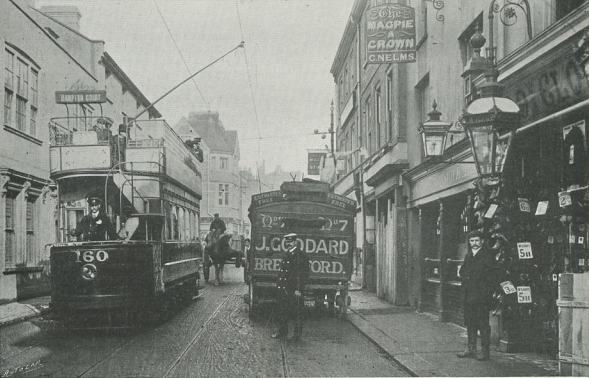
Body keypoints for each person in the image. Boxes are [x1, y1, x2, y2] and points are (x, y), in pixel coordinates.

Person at [457, 229, 496, 361]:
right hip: (468, 295)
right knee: (470, 322)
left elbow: (490, 276)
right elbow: (462, 271)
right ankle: (471, 348)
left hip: (481, 296)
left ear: (482, 241)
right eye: (472, 241)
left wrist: (485, 291)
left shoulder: (488, 255)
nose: (474, 243)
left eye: (477, 240)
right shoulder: (469, 255)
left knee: (483, 324)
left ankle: (485, 352)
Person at [272, 233, 310, 342]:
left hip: (294, 289)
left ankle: (297, 336)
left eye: (291, 242)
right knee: (283, 311)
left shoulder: (300, 255)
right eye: (287, 242)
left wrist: (298, 289)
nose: (289, 244)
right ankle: (283, 332)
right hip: (285, 288)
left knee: (297, 313)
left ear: (295, 242)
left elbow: (302, 274)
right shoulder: (288, 253)